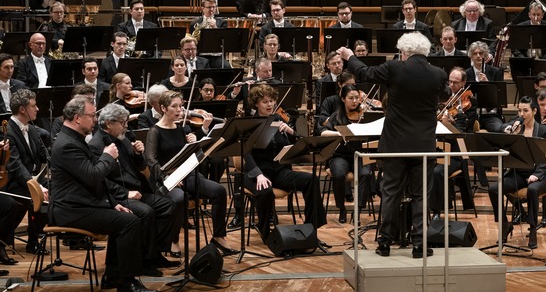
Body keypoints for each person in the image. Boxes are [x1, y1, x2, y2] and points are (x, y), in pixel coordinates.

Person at [337, 32, 448, 258]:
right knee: (420, 196)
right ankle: (419, 245)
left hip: (395, 145)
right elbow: (445, 95)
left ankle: (385, 243)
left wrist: (350, 57)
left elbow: (364, 73)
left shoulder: (395, 68)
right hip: (424, 146)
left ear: (404, 52)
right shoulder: (438, 73)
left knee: (390, 194)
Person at [50, 95, 158, 292]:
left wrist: (111, 203)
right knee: (130, 222)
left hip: (81, 204)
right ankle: (127, 283)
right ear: (77, 118)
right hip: (70, 210)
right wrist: (108, 156)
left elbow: (92, 181)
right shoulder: (67, 144)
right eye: (91, 116)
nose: (94, 120)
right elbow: (92, 176)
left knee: (125, 218)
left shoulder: (74, 139)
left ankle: (113, 276)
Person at [88, 103, 180, 278]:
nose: (126, 126)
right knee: (146, 212)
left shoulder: (122, 138)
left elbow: (139, 166)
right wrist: (125, 193)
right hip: (116, 196)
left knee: (168, 206)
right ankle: (144, 262)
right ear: (108, 123)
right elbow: (100, 179)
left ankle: (155, 254)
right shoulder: (96, 145)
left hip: (136, 189)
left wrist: (138, 154)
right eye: (122, 122)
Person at [145, 90, 235, 257]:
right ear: (164, 108)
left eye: (181, 106)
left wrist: (196, 140)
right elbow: (151, 160)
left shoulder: (181, 129)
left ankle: (218, 236)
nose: (179, 110)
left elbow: (188, 155)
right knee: (179, 198)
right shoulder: (154, 131)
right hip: (164, 180)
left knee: (219, 191)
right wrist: (167, 178)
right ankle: (173, 240)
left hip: (186, 175)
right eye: (175, 106)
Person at [242, 84, 326, 235]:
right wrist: (258, 174)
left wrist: (290, 131)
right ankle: (264, 229)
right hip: (257, 173)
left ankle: (311, 227)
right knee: (265, 191)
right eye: (264, 102)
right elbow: (246, 153)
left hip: (279, 171)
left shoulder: (278, 118)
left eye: (271, 101)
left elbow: (299, 144)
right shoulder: (250, 123)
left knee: (311, 179)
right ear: (256, 104)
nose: (270, 104)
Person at [488, 95, 546, 249]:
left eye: (525, 111)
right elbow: (502, 134)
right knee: (494, 189)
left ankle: (532, 229)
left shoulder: (544, 130)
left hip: (541, 175)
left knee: (532, 189)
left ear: (534, 111)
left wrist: (536, 175)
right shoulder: (517, 128)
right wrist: (511, 136)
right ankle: (505, 225)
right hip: (519, 174)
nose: (522, 114)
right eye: (519, 111)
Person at [1, 89, 48, 258]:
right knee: (35, 194)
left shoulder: (32, 128)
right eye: (33, 106)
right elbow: (14, 165)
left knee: (55, 189)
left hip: (30, 179)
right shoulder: (8, 131)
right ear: (22, 109)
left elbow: (43, 154)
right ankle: (6, 241)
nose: (37, 109)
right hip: (13, 183)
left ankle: (34, 240)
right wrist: (35, 185)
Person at [319, 84, 376, 223]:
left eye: (357, 98)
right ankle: (342, 208)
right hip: (341, 155)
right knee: (338, 174)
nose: (355, 101)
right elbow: (322, 132)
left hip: (361, 155)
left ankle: (358, 210)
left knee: (366, 174)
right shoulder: (337, 115)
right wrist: (338, 133)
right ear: (343, 99)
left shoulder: (366, 116)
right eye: (351, 98)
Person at [429, 67, 476, 223]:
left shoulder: (460, 115)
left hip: (452, 156)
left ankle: (436, 211)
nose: (451, 85)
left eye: (455, 83)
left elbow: (458, 137)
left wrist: (448, 125)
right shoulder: (434, 108)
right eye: (449, 82)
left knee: (437, 172)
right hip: (432, 152)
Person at [190, 0, 229, 69]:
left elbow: (225, 40)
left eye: (213, 7)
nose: (211, 9)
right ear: (202, 8)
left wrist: (215, 27)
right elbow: (192, 41)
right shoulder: (195, 23)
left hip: (216, 56)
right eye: (209, 7)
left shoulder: (222, 22)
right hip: (201, 56)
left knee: (227, 67)